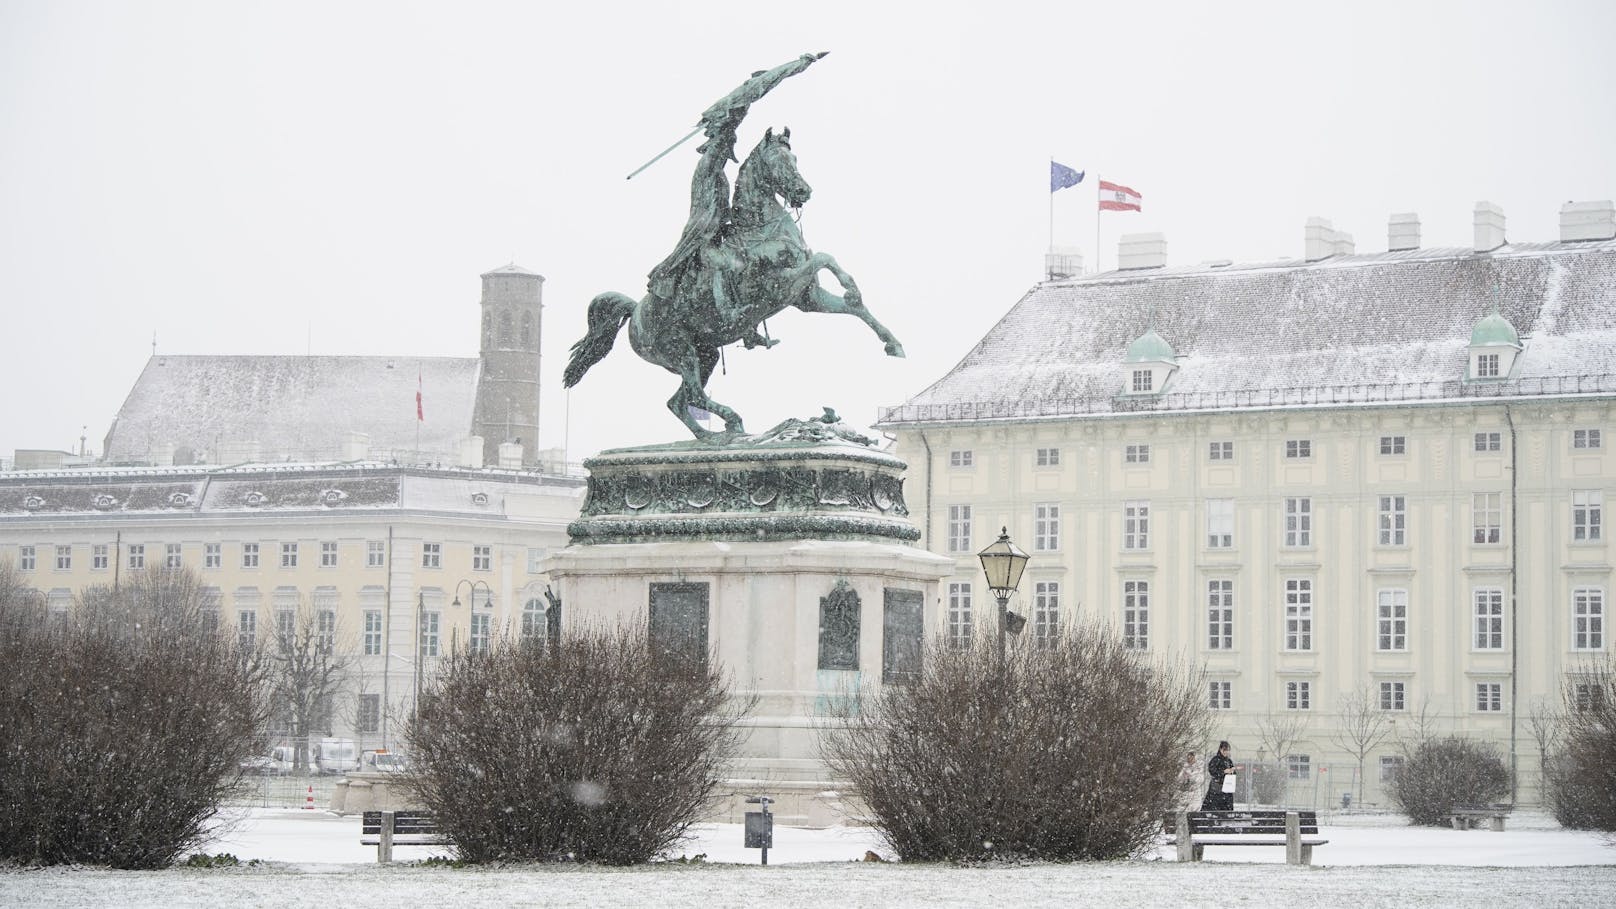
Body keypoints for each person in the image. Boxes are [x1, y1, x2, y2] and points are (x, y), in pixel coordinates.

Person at [646, 52, 825, 329]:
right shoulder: (707, 170)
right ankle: (732, 316)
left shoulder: (720, 172)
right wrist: (791, 68)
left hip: (721, 229)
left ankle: (749, 319)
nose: (732, 139)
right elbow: (705, 215)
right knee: (725, 262)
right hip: (704, 235)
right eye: (727, 135)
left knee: (747, 256)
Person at [1201, 740, 1243, 811]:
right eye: (1224, 750)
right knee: (1214, 809)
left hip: (1227, 789)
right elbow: (1212, 771)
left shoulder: (1229, 761)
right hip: (1216, 790)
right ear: (1220, 749)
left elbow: (1234, 774)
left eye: (1228, 750)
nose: (1226, 752)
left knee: (1227, 810)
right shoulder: (1215, 760)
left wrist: (1232, 771)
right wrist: (1223, 772)